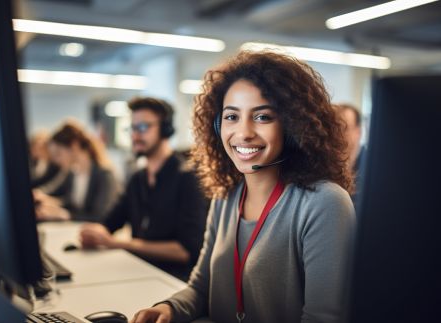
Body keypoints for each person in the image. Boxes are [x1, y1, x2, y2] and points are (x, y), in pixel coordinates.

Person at [130, 50, 356, 323]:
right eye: (231, 117)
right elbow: (201, 288)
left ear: (292, 125)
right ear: (217, 125)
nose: (244, 132)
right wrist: (169, 308)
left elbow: (323, 319)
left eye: (262, 117)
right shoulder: (226, 196)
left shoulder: (324, 203)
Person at [79, 97, 208, 281]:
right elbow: (110, 222)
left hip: (172, 281)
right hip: (137, 273)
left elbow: (186, 251)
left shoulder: (187, 178)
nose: (135, 135)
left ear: (165, 128)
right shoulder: (137, 179)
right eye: (132, 128)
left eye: (142, 128)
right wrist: (95, 232)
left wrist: (118, 244)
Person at [34, 120, 120, 222]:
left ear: (74, 146)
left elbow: (101, 216)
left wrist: (66, 215)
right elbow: (70, 203)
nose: (56, 160)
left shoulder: (105, 175)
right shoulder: (73, 173)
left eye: (58, 154)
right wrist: (51, 205)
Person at [334, 103, 365, 204]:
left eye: (345, 129)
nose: (338, 136)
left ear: (358, 133)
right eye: (335, 129)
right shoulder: (328, 167)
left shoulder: (372, 169)